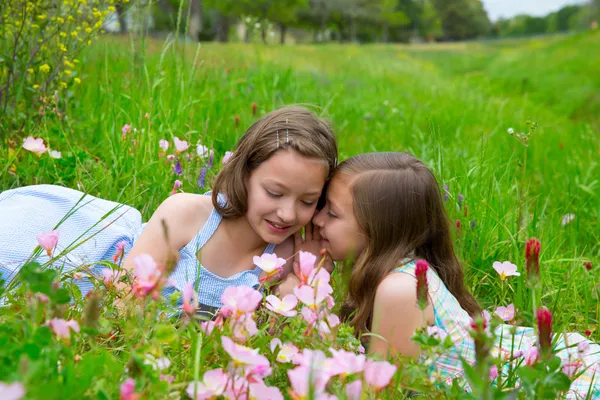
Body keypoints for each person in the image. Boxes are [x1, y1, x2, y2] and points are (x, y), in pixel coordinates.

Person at [289, 152, 599, 398]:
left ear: (376, 230)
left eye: (331, 212)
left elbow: (379, 392)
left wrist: (304, 293)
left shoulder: (399, 289)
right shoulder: (395, 272)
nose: (315, 219)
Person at [0, 106, 338, 316]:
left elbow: (280, 331)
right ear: (245, 174)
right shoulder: (187, 215)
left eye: (308, 201)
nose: (288, 214)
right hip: (95, 274)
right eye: (274, 192)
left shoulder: (292, 254)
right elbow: (121, 300)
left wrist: (302, 277)